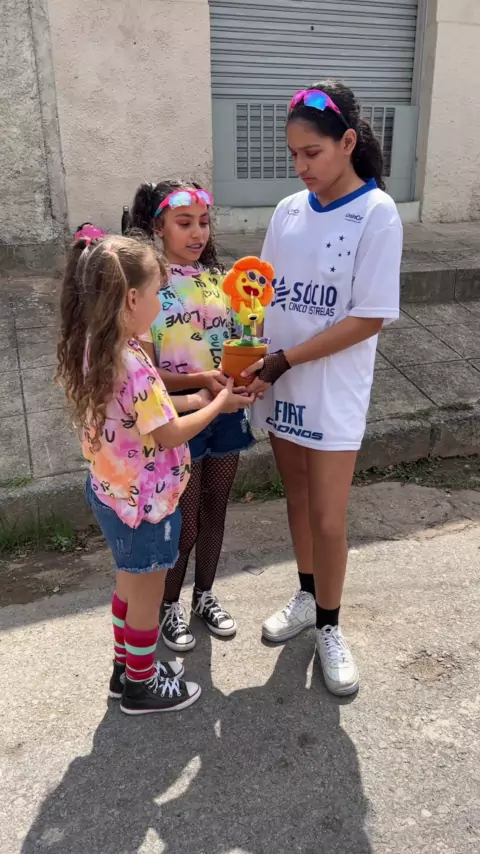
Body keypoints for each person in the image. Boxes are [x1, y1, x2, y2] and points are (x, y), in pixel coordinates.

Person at [245, 81, 403, 696]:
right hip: (279, 380)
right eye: (294, 155)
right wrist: (248, 349)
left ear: (348, 142)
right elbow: (261, 290)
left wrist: (285, 359)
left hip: (331, 387)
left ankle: (331, 627)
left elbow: (369, 317)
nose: (301, 166)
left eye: (312, 152)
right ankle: (307, 596)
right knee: (297, 498)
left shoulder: (377, 213)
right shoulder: (288, 211)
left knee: (328, 517)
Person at [56, 234, 253, 714]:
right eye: (157, 293)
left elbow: (148, 411)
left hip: (114, 494)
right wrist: (220, 405)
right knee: (145, 597)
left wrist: (200, 395)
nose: (161, 303)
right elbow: (168, 433)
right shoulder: (134, 363)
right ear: (131, 299)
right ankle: (141, 687)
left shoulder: (97, 346)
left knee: (128, 586)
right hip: (147, 503)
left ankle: (126, 670)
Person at [127, 181, 254, 652]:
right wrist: (203, 381)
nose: (197, 232)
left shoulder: (221, 281)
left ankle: (205, 595)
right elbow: (143, 368)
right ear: (159, 227)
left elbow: (237, 340)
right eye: (184, 223)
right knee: (185, 519)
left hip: (225, 410)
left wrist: (250, 367)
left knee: (216, 507)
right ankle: (168, 604)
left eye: (203, 222)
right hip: (179, 416)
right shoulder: (147, 286)